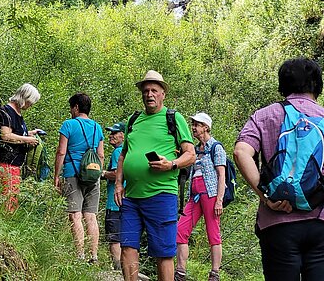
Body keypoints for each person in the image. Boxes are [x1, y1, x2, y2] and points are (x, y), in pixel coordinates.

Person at [234, 57, 324, 280]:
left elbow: (240, 152)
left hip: (278, 222)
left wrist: (265, 196)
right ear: (316, 84)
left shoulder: (264, 115)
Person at [115, 70, 196, 281]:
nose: (149, 94)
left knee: (163, 253)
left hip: (161, 194)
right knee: (127, 247)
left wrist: (171, 164)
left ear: (163, 94)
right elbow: (124, 155)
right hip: (131, 196)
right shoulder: (134, 120)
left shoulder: (173, 118)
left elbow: (190, 154)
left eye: (154, 90)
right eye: (146, 90)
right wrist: (118, 184)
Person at [175, 113, 226, 281]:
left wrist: (219, 200)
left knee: (213, 233)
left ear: (206, 127)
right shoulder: (195, 150)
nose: (194, 127)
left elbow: (221, 175)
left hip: (210, 195)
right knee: (180, 230)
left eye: (197, 124)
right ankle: (180, 272)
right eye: (193, 124)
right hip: (194, 196)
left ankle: (214, 274)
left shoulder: (216, 147)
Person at [54, 93, 104, 263]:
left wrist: (56, 175)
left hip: (72, 173)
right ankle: (94, 256)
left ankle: (80, 255)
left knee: (75, 214)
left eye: (71, 107)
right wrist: (96, 173)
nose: (70, 111)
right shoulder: (98, 128)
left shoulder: (68, 124)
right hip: (93, 175)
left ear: (76, 107)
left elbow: (61, 151)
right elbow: (101, 156)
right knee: (91, 216)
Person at [0, 83, 40, 212]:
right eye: (30, 102)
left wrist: (30, 134)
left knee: (12, 199)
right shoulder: (7, 111)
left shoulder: (18, 114)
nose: (30, 106)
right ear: (24, 98)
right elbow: (6, 136)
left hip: (15, 163)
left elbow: (16, 132)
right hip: (6, 162)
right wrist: (27, 139)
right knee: (7, 199)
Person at [103, 121, 126, 271]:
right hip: (126, 200)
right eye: (110, 133)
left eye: (114, 133)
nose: (110, 136)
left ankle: (117, 268)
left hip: (114, 201)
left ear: (122, 136)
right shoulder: (127, 150)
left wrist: (103, 173)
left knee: (114, 237)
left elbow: (117, 174)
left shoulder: (118, 152)